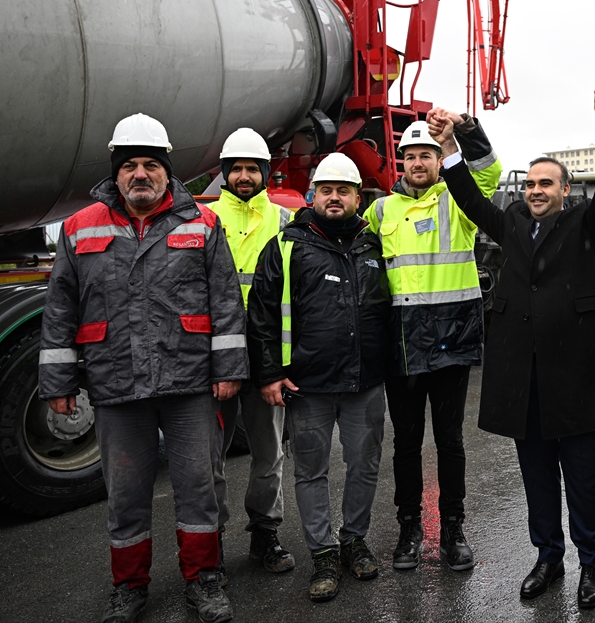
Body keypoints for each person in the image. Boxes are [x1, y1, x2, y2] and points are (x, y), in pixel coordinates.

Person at [39, 113, 246, 623]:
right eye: (129, 165)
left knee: (198, 489)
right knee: (126, 496)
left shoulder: (201, 221)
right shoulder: (78, 227)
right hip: (116, 384)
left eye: (150, 165)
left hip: (189, 384)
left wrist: (228, 371)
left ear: (166, 172)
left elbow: (225, 302)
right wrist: (59, 382)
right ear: (116, 173)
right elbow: (60, 309)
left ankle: (204, 580)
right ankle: (129, 587)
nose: (139, 174)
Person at [431, 89, 595, 609]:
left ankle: (591, 566)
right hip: (525, 385)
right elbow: (470, 198)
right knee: (537, 479)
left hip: (577, 382)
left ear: (565, 190)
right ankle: (547, 558)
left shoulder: (587, 224)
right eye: (532, 183)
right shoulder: (511, 222)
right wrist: (449, 146)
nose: (536, 191)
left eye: (547, 184)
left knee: (583, 480)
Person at [246, 152, 391, 603]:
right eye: (326, 190)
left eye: (343, 191)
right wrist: (269, 372)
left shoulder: (374, 245)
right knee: (311, 471)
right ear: (313, 195)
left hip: (365, 382)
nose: (334, 198)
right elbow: (263, 314)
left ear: (356, 197)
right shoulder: (288, 246)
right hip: (306, 385)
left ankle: (354, 540)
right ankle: (324, 554)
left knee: (365, 465)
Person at [364, 116, 501, 572]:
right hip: (400, 345)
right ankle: (408, 530)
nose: (417, 162)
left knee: (450, 442)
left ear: (440, 160)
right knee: (405, 444)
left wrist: (464, 128)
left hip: (450, 342)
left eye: (426, 155)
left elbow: (487, 169)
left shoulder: (458, 200)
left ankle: (453, 530)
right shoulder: (380, 211)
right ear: (400, 162)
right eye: (410, 156)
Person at [208, 128, 296, 579]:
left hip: (266, 357)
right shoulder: (202, 217)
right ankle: (211, 540)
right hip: (215, 357)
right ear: (225, 172)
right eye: (237, 169)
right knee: (210, 457)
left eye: (252, 169)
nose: (244, 177)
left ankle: (265, 533)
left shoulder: (284, 221)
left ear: (265, 172)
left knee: (268, 453)